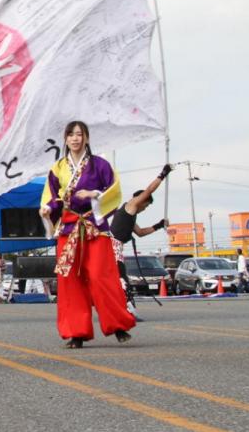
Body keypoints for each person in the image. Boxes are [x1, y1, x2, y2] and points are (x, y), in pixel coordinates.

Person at [39, 120, 135, 349]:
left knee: (102, 276)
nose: (75, 138)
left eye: (79, 134)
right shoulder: (58, 168)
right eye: (71, 134)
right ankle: (76, 332)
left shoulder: (101, 165)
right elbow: (52, 196)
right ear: (65, 139)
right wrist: (48, 209)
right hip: (69, 228)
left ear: (87, 138)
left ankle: (118, 324)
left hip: (94, 227)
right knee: (69, 280)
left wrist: (94, 194)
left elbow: (115, 192)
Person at [108, 165, 172, 314]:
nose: (145, 209)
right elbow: (149, 190)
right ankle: (128, 310)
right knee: (122, 278)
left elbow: (141, 232)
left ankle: (122, 308)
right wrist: (162, 175)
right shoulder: (131, 205)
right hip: (111, 246)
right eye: (147, 205)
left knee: (118, 278)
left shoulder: (129, 215)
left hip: (115, 247)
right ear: (141, 201)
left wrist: (158, 225)